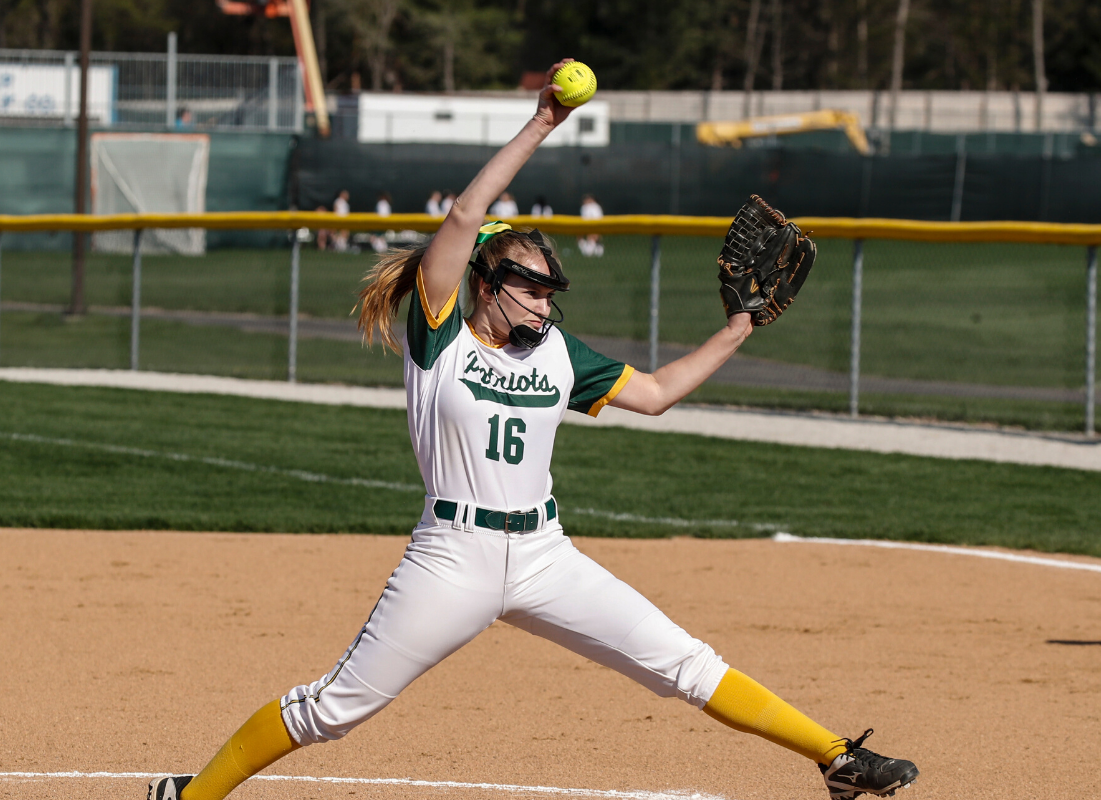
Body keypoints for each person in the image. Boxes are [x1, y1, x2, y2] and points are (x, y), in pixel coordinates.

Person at [145, 59, 919, 800]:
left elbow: (653, 395)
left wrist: (739, 329)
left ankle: (836, 759)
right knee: (333, 708)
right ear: (486, 284)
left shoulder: (556, 353)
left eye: (551, 290)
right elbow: (462, 216)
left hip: (546, 553)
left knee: (685, 662)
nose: (546, 304)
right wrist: (542, 122)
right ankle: (192, 795)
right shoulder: (441, 330)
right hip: (452, 556)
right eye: (531, 287)